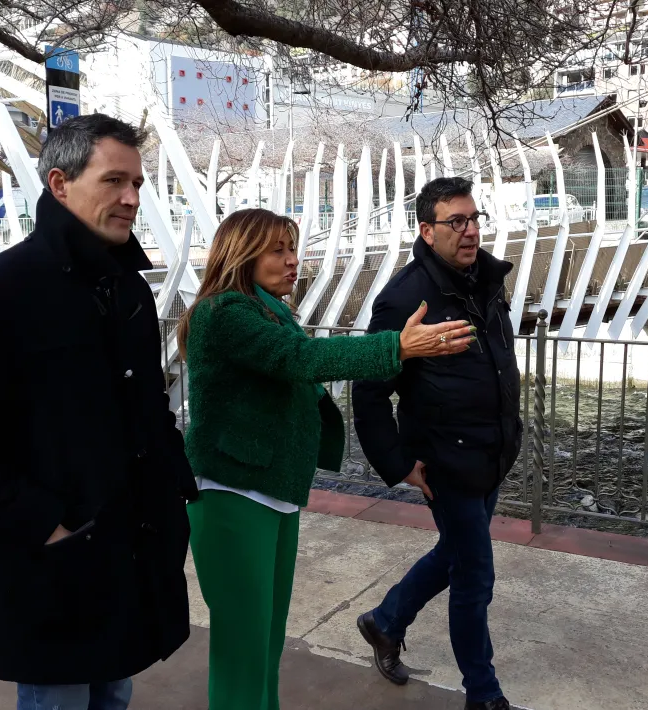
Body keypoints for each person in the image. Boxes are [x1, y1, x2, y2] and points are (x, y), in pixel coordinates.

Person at [0, 114, 198, 710]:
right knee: (60, 697)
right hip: (54, 560)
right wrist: (48, 523)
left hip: (129, 549)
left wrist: (175, 488)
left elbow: (150, 405)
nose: (131, 198)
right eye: (114, 180)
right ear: (60, 183)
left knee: (114, 692)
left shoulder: (128, 288)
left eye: (137, 183)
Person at [177, 208, 475, 710]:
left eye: (293, 249)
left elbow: (296, 363)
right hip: (232, 494)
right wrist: (397, 347)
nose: (293, 261)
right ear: (241, 253)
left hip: (270, 491)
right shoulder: (223, 312)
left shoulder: (267, 309)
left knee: (264, 642)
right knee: (243, 649)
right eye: (278, 250)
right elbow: (302, 360)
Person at [352, 176, 522, 710]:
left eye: (474, 219)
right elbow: (369, 391)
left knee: (455, 552)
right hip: (445, 461)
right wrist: (399, 464)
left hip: (491, 454)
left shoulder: (485, 280)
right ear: (427, 231)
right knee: (474, 576)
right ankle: (483, 694)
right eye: (456, 222)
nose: (470, 231)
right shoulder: (405, 299)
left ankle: (385, 621)